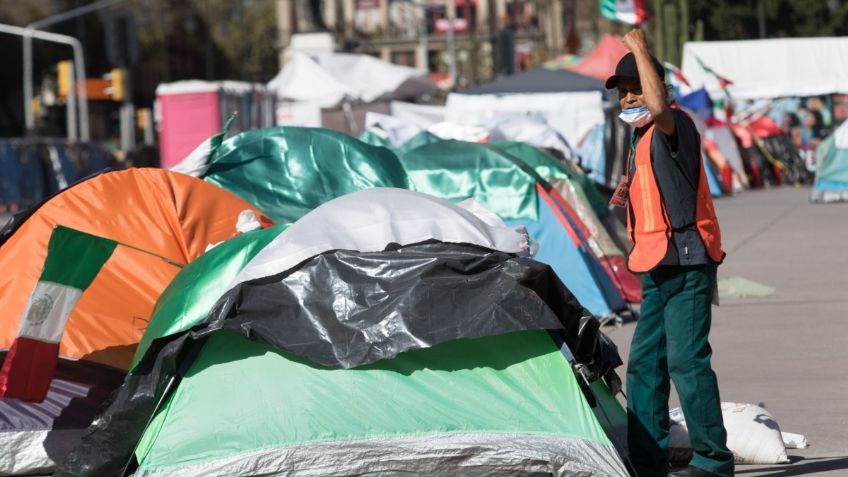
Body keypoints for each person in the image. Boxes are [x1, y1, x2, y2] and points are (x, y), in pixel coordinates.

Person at [606, 29, 734, 477]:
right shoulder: (639, 141)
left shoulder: (674, 124)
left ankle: (713, 462)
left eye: (634, 88)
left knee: (686, 361)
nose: (627, 98)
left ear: (657, 85)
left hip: (688, 263)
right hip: (656, 267)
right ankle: (647, 462)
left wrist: (641, 48)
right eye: (621, 92)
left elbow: (658, 106)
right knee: (644, 368)